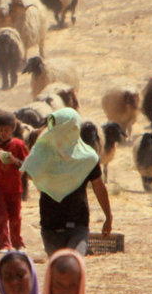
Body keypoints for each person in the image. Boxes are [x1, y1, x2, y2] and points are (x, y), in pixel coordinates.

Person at [21, 108, 114, 255]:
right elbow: (30, 173)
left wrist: (108, 217)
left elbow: (99, 186)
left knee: (73, 263)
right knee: (58, 269)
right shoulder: (42, 153)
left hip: (78, 224)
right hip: (50, 225)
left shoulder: (87, 158)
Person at [0, 115, 31, 251]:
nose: (4, 133)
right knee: (1, 217)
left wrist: (14, 160)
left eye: (7, 130)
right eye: (1, 130)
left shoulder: (18, 145)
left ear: (12, 130)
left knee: (15, 217)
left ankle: (17, 242)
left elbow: (26, 165)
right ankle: (4, 244)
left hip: (14, 187)